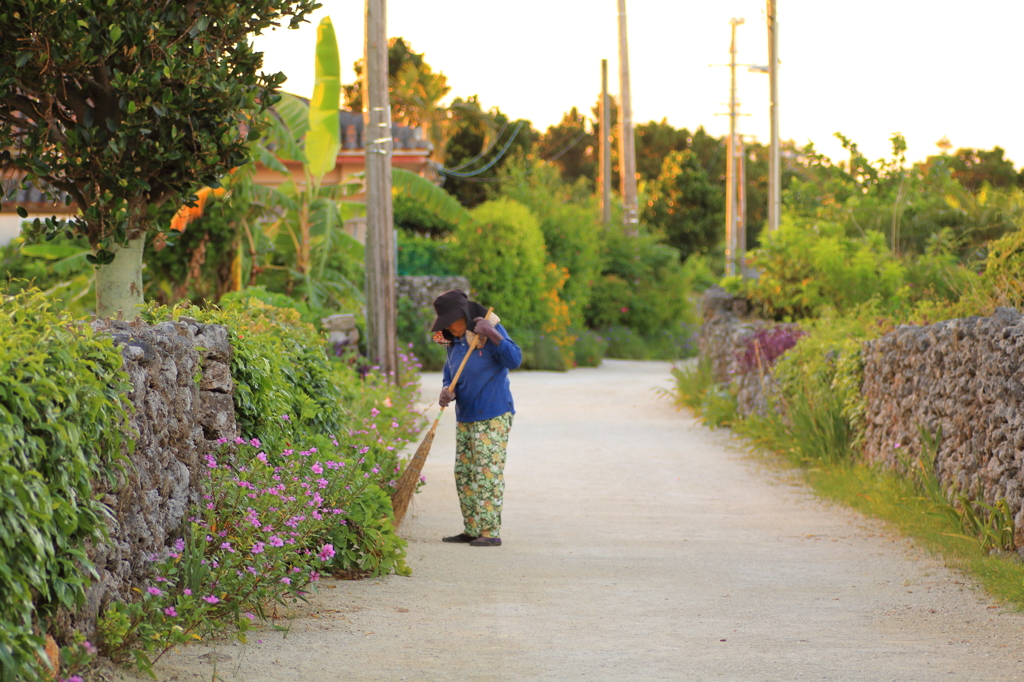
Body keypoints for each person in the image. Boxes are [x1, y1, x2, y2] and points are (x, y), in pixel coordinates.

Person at [430, 289, 522, 547]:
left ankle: (490, 532)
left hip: (493, 414)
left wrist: (492, 334)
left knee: (486, 473)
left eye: (451, 321)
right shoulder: (452, 341)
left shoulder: (490, 330)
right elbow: (451, 373)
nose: (448, 327)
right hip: (466, 415)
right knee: (464, 473)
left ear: (463, 315)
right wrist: (447, 390)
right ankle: (471, 529)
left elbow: (514, 359)